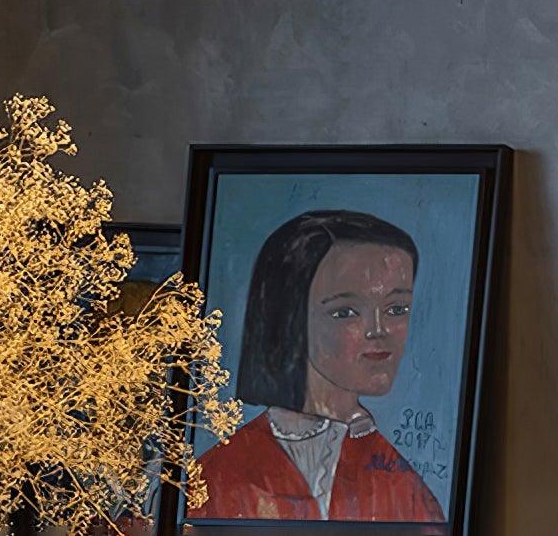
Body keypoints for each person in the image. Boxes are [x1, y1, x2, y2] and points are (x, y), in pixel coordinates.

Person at [189, 210, 445, 525]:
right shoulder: (215, 478)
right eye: (345, 312)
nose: (379, 330)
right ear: (290, 318)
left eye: (396, 309)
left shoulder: (404, 488)